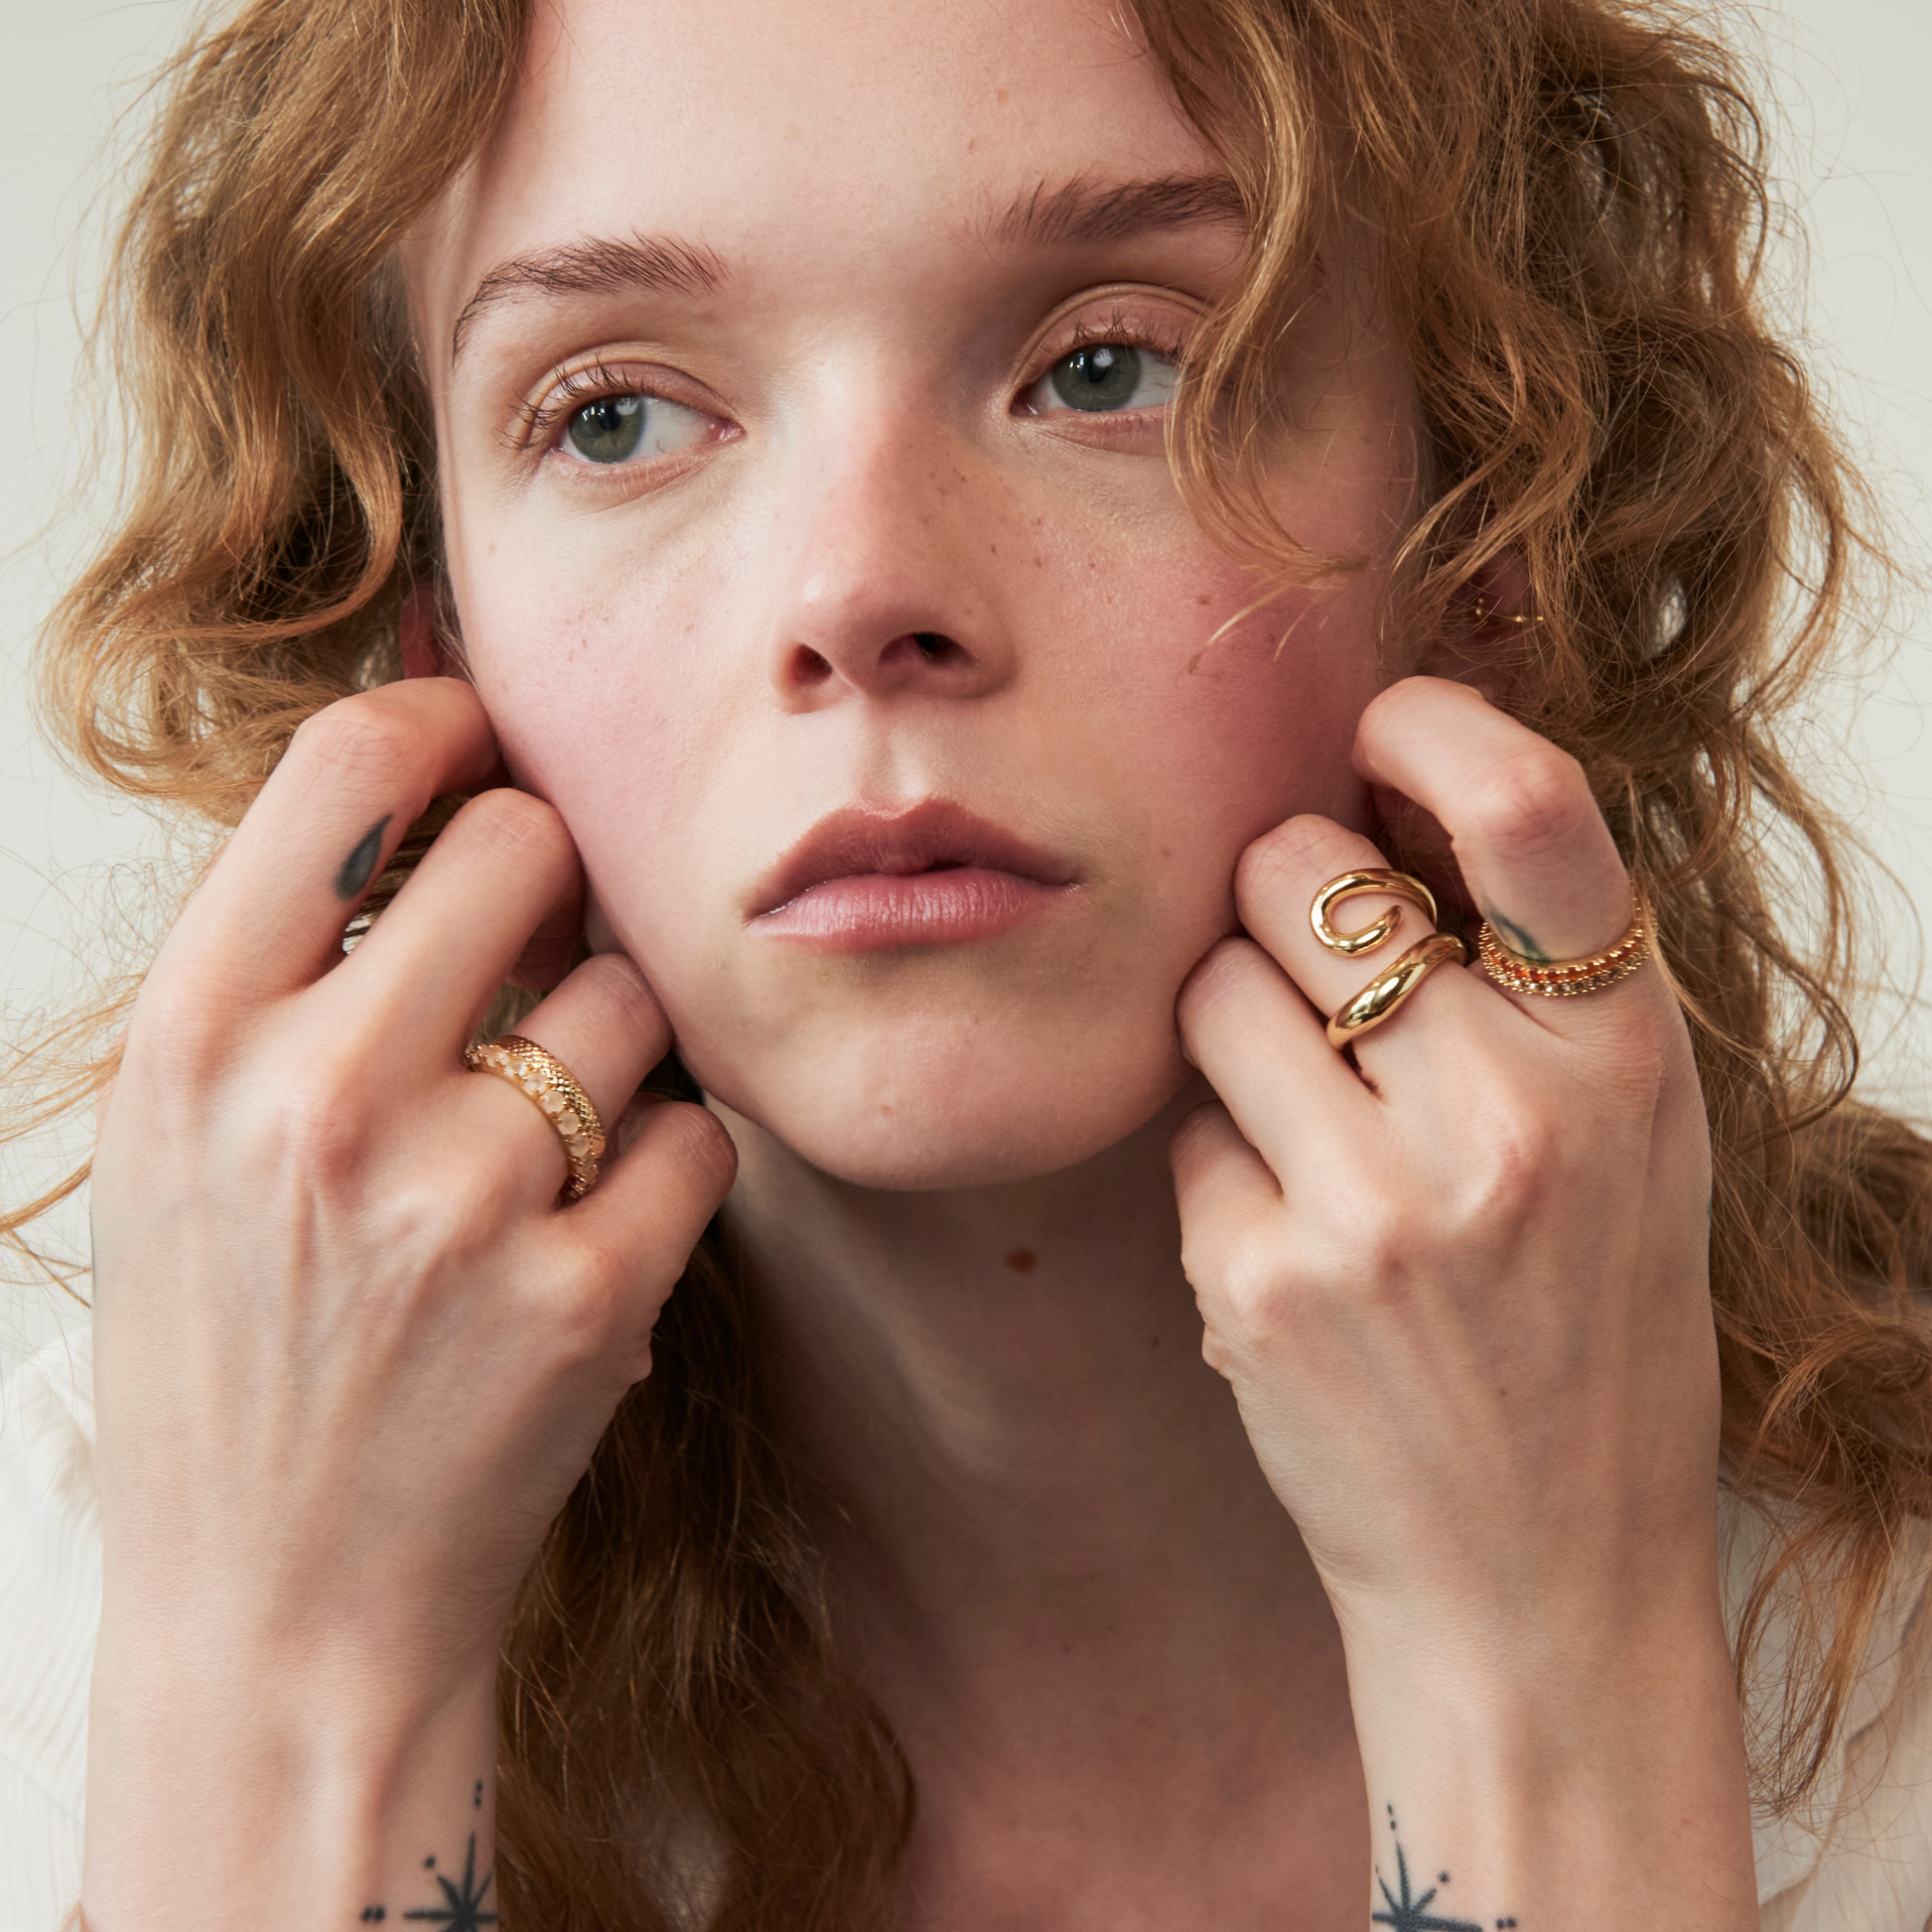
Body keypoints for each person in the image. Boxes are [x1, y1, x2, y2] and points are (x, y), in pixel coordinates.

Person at [3, 0, 1930, 1924]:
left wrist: (1553, 1657)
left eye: (1106, 368)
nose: (861, 593)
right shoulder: (64, 1640)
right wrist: (290, 1681)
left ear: (1485, 540)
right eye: (613, 416)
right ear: (434, 631)